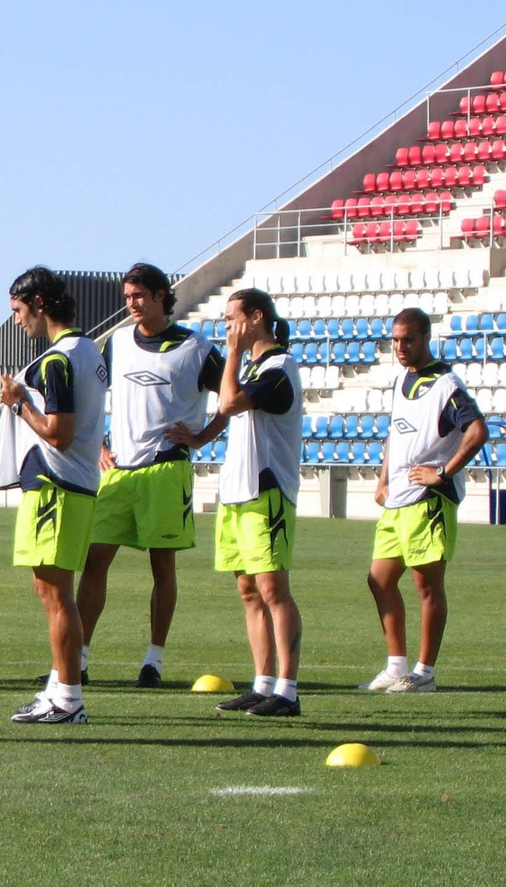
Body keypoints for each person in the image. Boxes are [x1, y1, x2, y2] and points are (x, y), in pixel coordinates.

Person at [78, 263, 226, 688]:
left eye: (139, 295)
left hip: (166, 470)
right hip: (119, 470)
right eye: (127, 297)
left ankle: (153, 661)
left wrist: (201, 437)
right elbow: (90, 394)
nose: (131, 304)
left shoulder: (195, 347)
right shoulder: (117, 341)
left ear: (162, 296)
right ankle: (80, 657)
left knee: (162, 565)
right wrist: (99, 446)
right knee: (95, 558)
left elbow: (231, 396)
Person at [0, 267, 107, 725]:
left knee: (56, 594)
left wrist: (18, 402)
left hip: (57, 487)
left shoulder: (58, 359)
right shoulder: (89, 351)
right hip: (70, 485)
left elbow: (58, 434)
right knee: (52, 590)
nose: (18, 321)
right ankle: (60, 689)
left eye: (19, 311)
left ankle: (68, 698)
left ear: (40, 304)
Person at [359, 307, 487, 694]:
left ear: (425, 338)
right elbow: (395, 437)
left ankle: (424, 673)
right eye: (395, 339)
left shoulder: (446, 384)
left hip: (428, 500)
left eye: (408, 339)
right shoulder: (401, 380)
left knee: (426, 585)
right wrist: (383, 479)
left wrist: (442, 473)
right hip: (398, 498)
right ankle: (396, 665)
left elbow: (477, 432)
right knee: (378, 580)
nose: (400, 346)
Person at [211, 288, 305, 717]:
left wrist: (230, 355)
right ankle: (263, 682)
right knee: (249, 590)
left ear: (256, 317)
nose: (227, 327)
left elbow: (228, 403)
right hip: (238, 491)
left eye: (232, 318)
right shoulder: (255, 366)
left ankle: (287, 689)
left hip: (266, 491)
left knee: (273, 590)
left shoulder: (279, 367)